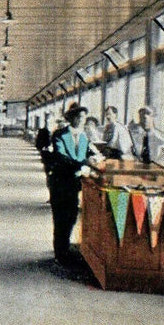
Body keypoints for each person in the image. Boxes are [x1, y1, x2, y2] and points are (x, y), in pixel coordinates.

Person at [48, 103, 104, 264]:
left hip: (74, 183)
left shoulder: (84, 136)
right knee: (60, 218)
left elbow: (92, 152)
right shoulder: (59, 135)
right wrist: (84, 162)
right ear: (71, 118)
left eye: (83, 118)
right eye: (78, 117)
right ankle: (60, 253)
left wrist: (97, 159)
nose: (81, 120)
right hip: (60, 182)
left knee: (71, 216)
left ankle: (64, 249)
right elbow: (61, 156)